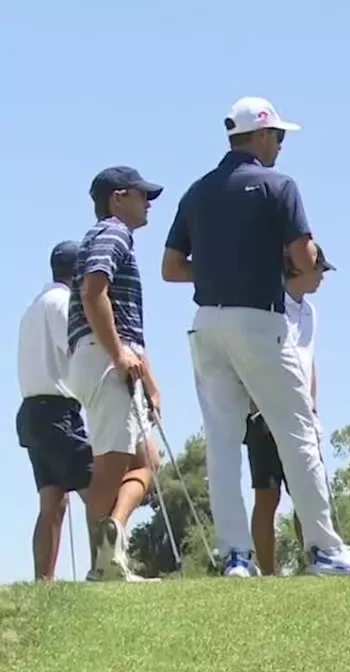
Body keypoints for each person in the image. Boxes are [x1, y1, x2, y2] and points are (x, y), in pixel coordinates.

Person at [161, 95, 350, 578]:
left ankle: (235, 556)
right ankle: (323, 548)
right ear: (259, 135)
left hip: (207, 324)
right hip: (258, 321)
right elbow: (303, 258)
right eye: (277, 136)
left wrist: (219, 269)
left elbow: (171, 269)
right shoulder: (278, 185)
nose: (280, 145)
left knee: (221, 442)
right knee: (297, 431)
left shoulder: (196, 191)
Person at [65, 167, 166, 582]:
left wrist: (150, 382)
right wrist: (119, 353)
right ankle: (100, 565)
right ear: (118, 197)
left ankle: (113, 535)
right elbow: (94, 291)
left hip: (107, 354)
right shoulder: (113, 232)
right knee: (111, 464)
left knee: (146, 460)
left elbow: (128, 325)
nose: (148, 204)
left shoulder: (110, 233)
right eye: (143, 196)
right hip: (104, 355)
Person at [243, 245, 335, 575]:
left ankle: (318, 562)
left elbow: (309, 363)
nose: (323, 275)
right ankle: (268, 574)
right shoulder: (270, 304)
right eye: (319, 268)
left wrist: (313, 410)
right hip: (265, 412)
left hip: (303, 416)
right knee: (267, 497)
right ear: (298, 268)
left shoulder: (310, 311)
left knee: (308, 493)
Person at [17, 241, 94, 582]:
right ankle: (106, 570)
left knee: (52, 500)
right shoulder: (64, 303)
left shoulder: (33, 307)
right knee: (98, 490)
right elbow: (77, 349)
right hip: (59, 410)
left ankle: (43, 581)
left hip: (32, 412)